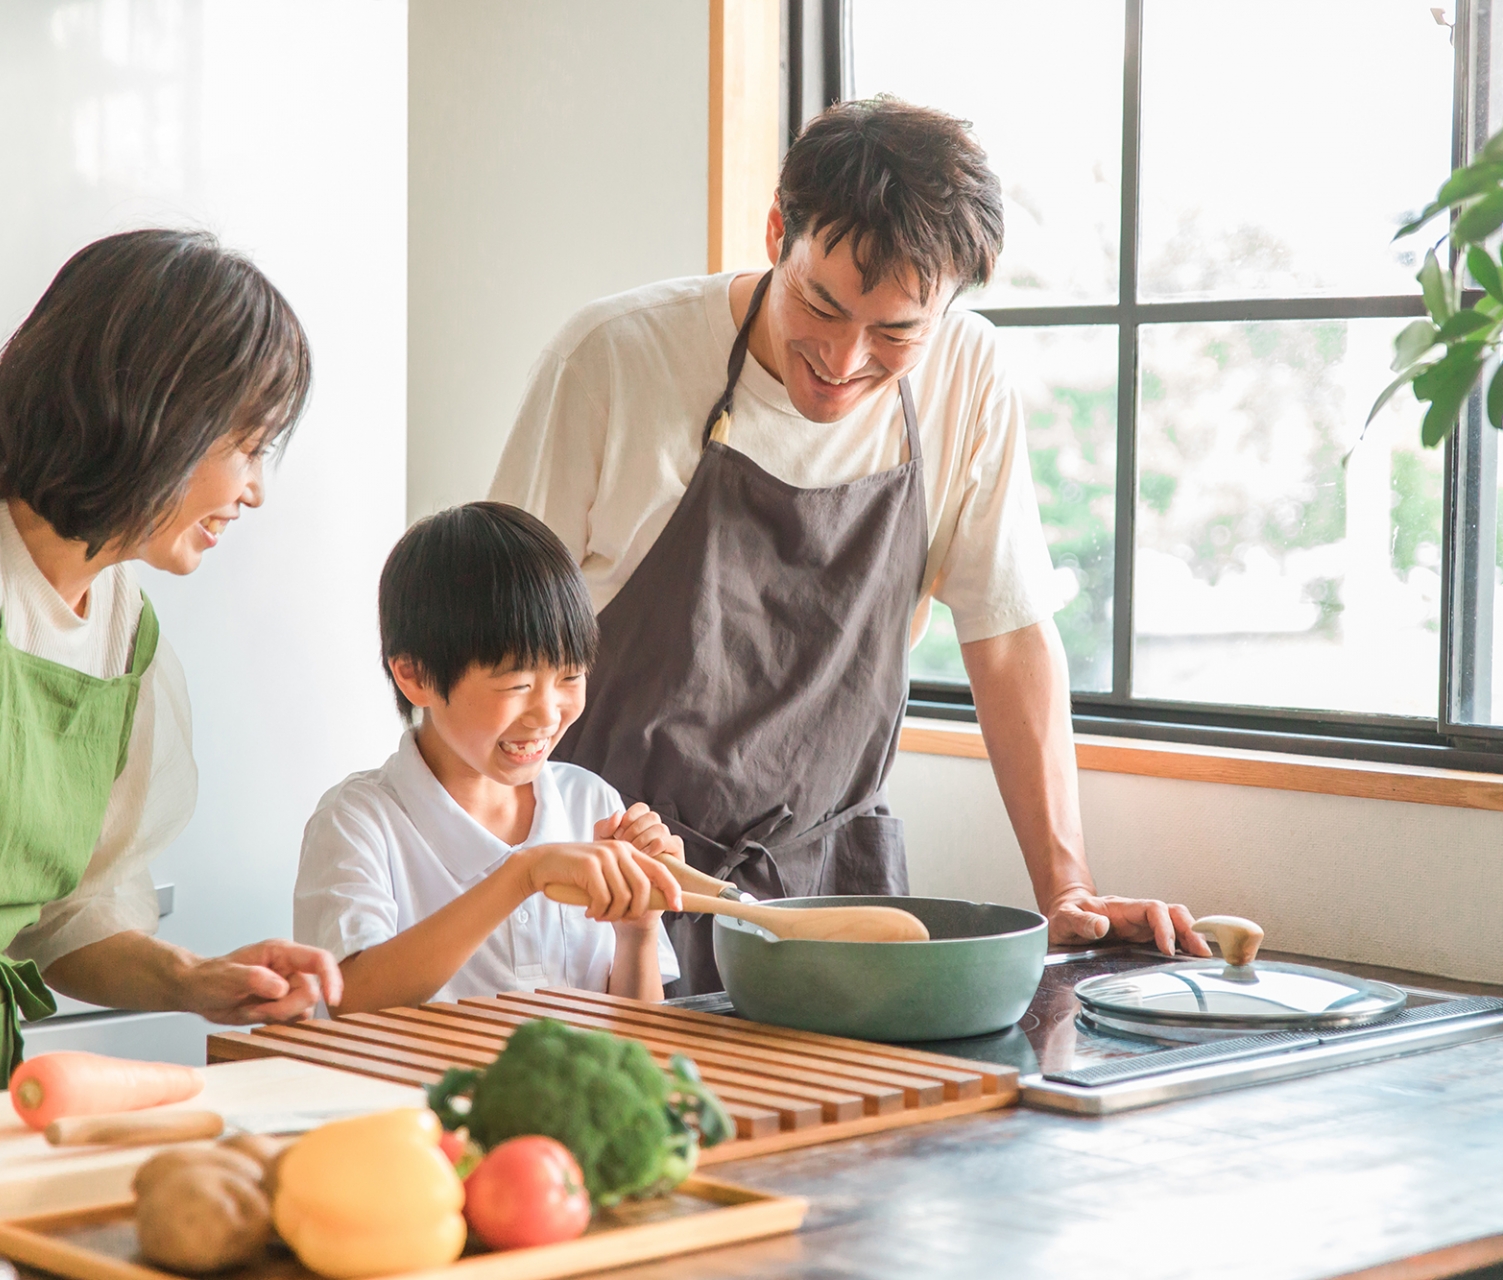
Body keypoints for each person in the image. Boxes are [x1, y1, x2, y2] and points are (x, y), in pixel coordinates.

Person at [490, 97, 1209, 994]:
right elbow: (487, 653)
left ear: (945, 311)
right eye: (818, 305)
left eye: (895, 333)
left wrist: (1069, 891)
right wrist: (476, 891)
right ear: (776, 231)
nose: (841, 357)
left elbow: (1008, 634)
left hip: (834, 908)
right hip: (608, 890)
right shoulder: (615, 360)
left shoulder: (969, 377)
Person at [0, 229, 342, 1094]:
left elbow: (62, 916)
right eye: (246, 447)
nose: (256, 490)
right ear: (155, 417)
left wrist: (189, 980)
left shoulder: (120, 628)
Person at [292, 502, 684, 1014]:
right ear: (415, 677)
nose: (547, 714)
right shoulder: (357, 821)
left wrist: (637, 931)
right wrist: (522, 874)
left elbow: (637, 1038)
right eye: (517, 684)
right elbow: (353, 999)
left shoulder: (590, 801)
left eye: (570, 677)